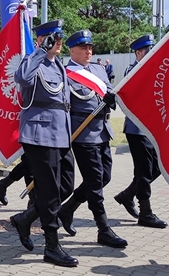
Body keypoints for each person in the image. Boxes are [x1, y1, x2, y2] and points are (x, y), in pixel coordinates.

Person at [11, 19, 78, 267]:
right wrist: (40, 50)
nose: (58, 42)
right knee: (49, 193)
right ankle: (51, 246)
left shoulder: (57, 64)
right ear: (42, 39)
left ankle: (25, 218)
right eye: (53, 38)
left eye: (59, 38)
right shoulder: (34, 61)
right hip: (39, 135)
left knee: (66, 185)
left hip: (60, 134)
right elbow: (22, 78)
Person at [59, 29, 127, 248]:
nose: (88, 51)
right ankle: (103, 229)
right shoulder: (65, 73)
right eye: (83, 48)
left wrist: (111, 99)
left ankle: (67, 210)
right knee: (95, 181)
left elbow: (109, 94)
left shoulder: (98, 70)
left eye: (90, 48)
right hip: (82, 133)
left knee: (103, 177)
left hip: (102, 130)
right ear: (72, 50)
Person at [113, 35, 167, 228]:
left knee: (158, 167)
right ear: (138, 53)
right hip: (137, 130)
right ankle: (145, 212)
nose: (151, 54)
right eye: (148, 51)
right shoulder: (134, 71)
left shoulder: (150, 70)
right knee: (143, 172)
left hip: (149, 130)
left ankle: (127, 195)